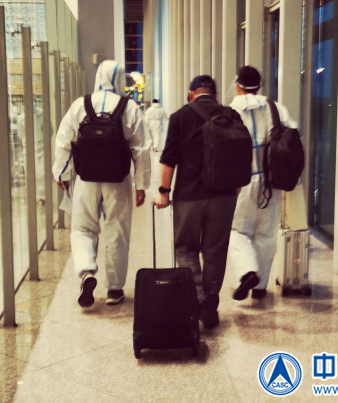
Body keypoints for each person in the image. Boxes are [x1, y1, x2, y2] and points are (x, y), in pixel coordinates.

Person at [53, 60, 151, 307]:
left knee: (82, 228)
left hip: (86, 178)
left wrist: (61, 175)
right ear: (120, 80)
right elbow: (141, 149)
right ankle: (114, 290)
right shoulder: (129, 107)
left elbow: (64, 141)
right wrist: (141, 185)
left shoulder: (80, 105)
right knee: (117, 231)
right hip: (117, 179)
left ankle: (86, 272)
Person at [156, 75, 243, 329]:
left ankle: (196, 300)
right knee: (215, 251)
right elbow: (240, 154)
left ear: (191, 93)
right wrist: (235, 188)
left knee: (186, 248)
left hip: (189, 197)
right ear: (215, 95)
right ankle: (210, 305)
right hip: (223, 196)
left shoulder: (180, 117)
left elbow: (169, 159)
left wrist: (163, 191)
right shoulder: (231, 115)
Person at [228, 66, 292, 301]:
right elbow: (292, 139)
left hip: (241, 182)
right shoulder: (276, 108)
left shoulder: (231, 110)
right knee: (265, 233)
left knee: (236, 230)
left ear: (238, 86)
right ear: (259, 85)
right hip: (271, 181)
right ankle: (260, 286)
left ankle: (247, 271)